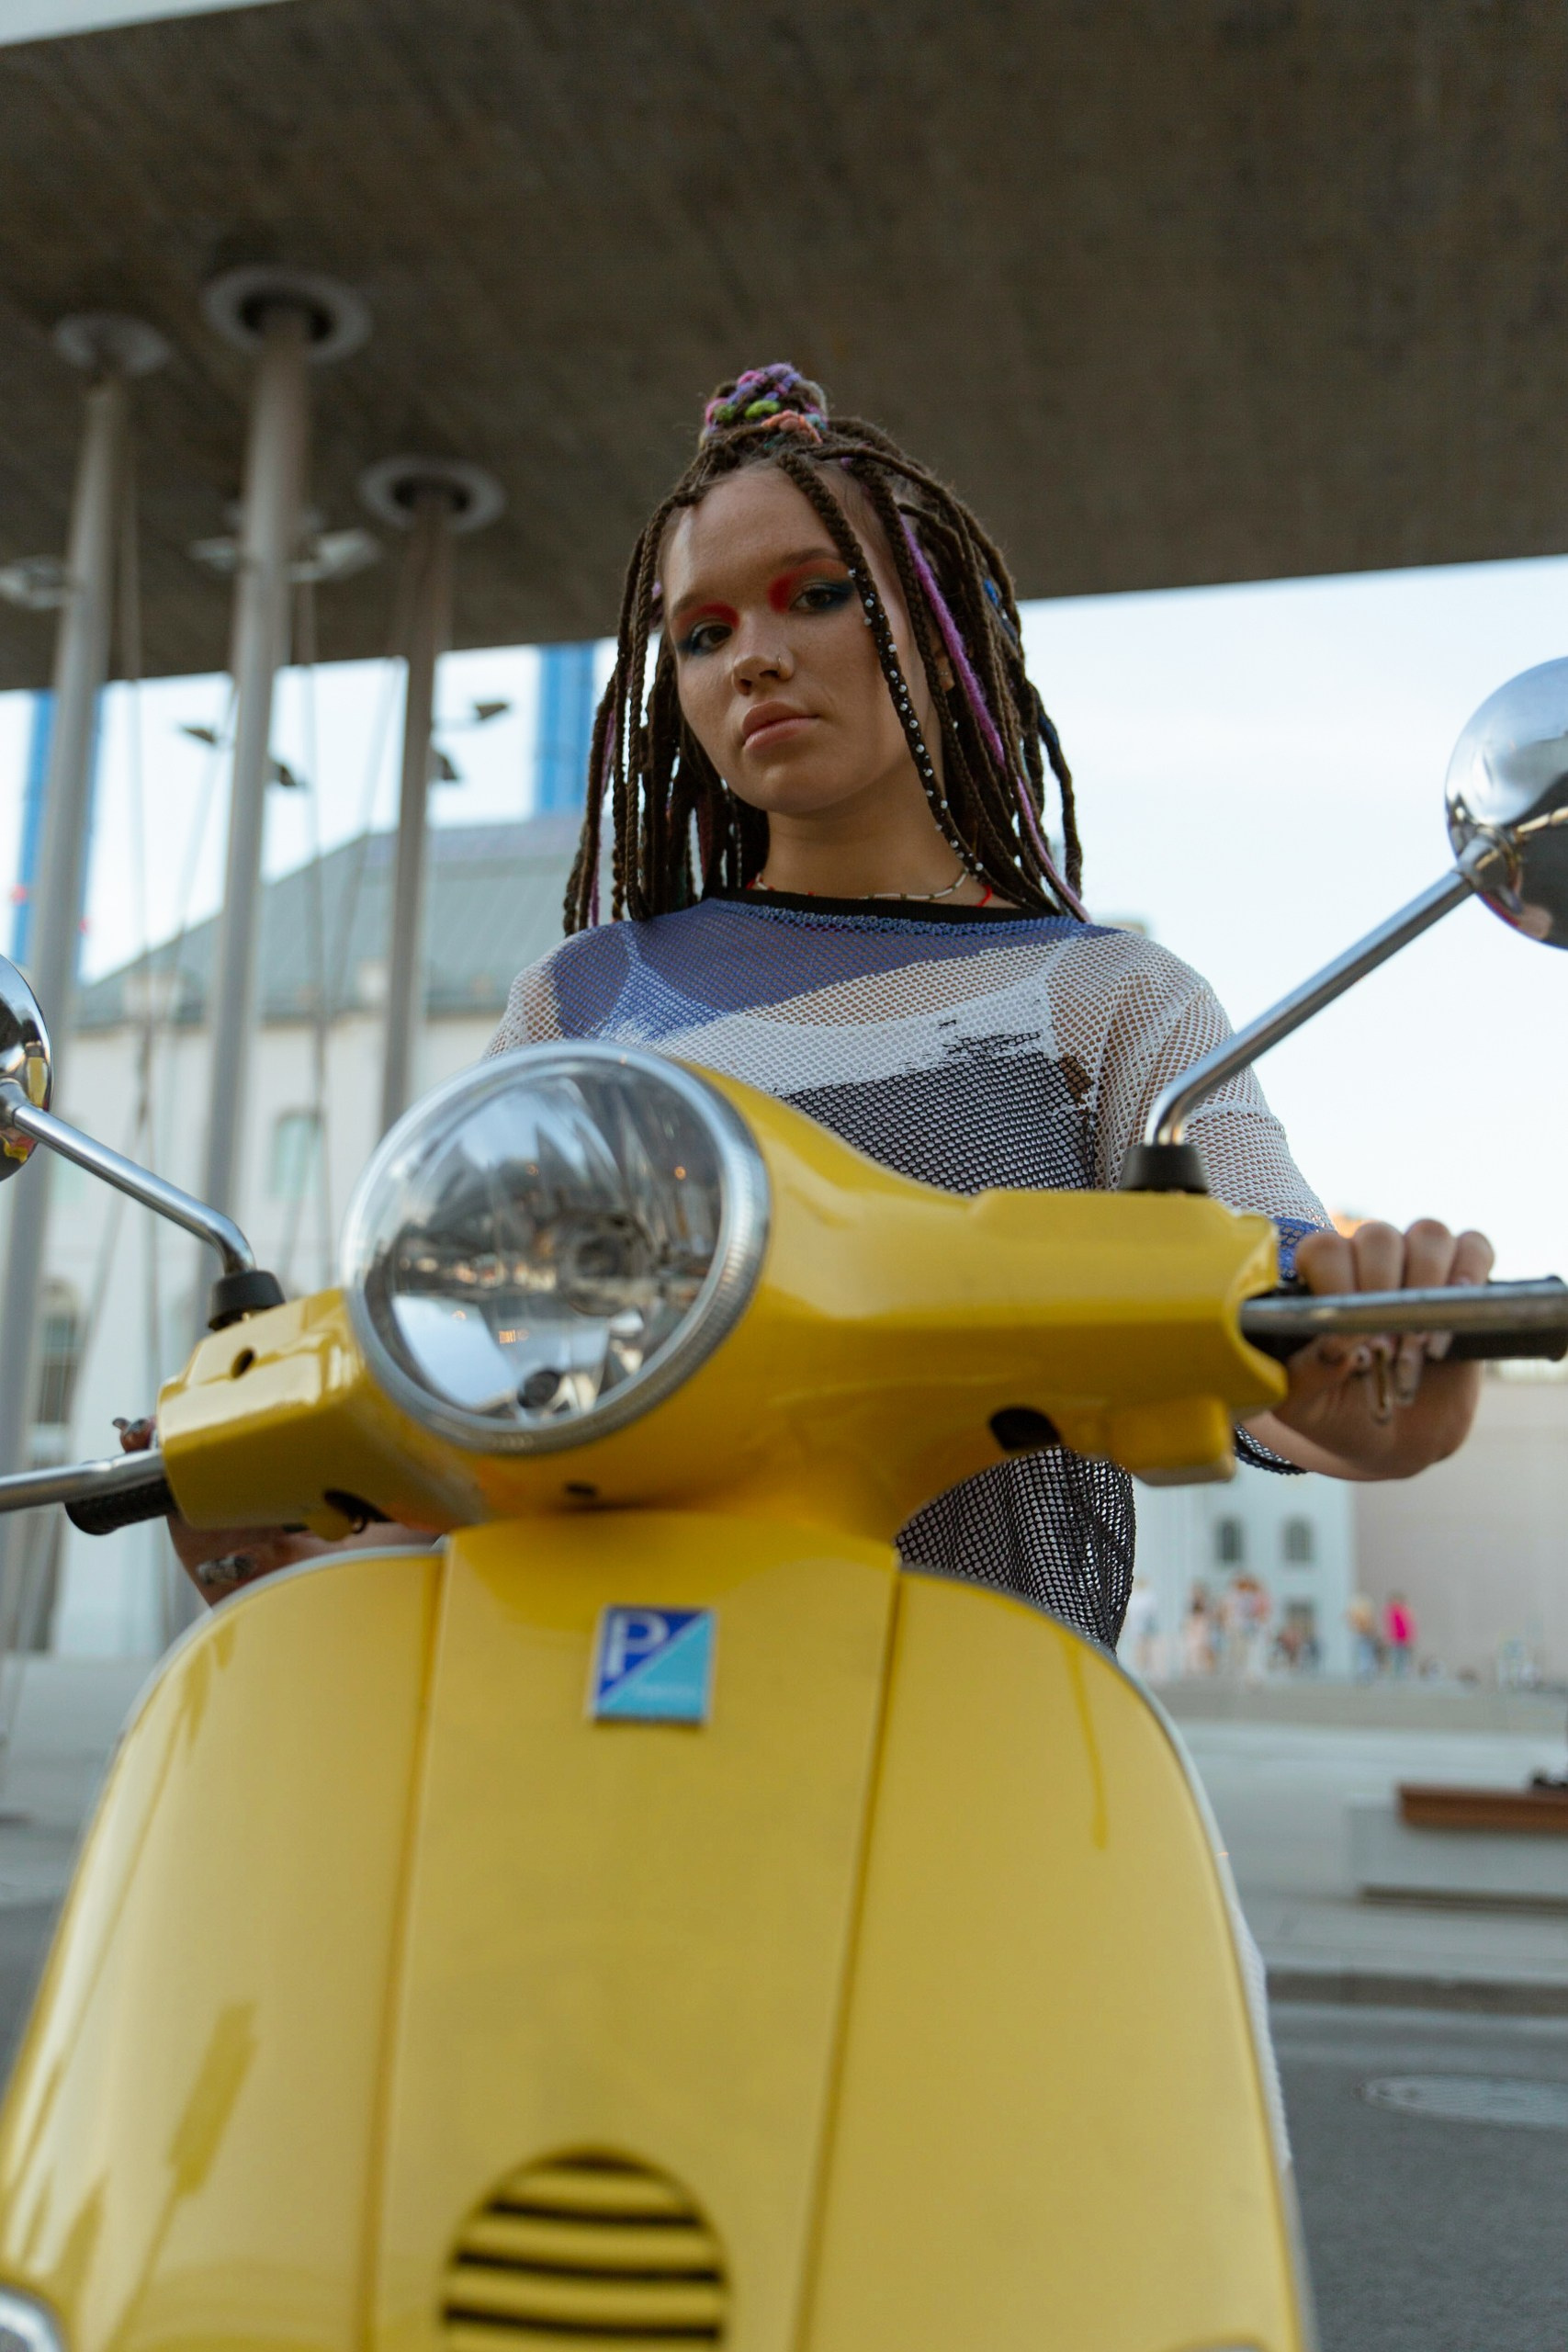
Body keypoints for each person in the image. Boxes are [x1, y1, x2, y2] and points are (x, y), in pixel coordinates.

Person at [162, 364, 1495, 1629]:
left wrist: (1383, 1342)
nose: (752, 656)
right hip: (585, 1722)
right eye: (702, 631)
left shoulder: (1103, 998)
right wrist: (296, 1539)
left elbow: (1288, 1357)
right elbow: (476, 1392)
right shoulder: (578, 1008)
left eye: (815, 595)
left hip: (972, 1744)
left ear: (937, 627)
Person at [1384, 1592, 1416, 1677]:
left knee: (1404, 1658)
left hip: (1403, 1639)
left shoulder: (1404, 1611)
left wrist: (1409, 1637)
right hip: (1395, 1639)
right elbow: (1391, 1626)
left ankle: (1403, 1674)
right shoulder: (1392, 1612)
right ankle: (1395, 1674)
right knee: (1395, 1657)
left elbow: (1408, 1625)